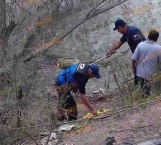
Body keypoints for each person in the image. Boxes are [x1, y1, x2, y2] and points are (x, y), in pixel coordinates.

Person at [106, 19, 146, 85]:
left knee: (141, 76)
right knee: (137, 77)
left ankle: (144, 91)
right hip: (139, 58)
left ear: (120, 27)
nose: (118, 31)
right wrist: (110, 51)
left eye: (118, 29)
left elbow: (141, 46)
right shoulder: (126, 33)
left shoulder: (132, 31)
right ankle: (139, 89)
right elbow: (119, 43)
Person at [132, 30, 161, 96]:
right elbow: (160, 62)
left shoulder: (140, 45)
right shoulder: (159, 48)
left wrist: (134, 70)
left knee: (138, 91)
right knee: (147, 93)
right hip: (149, 76)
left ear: (148, 36)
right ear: (157, 38)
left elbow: (133, 59)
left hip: (138, 74)